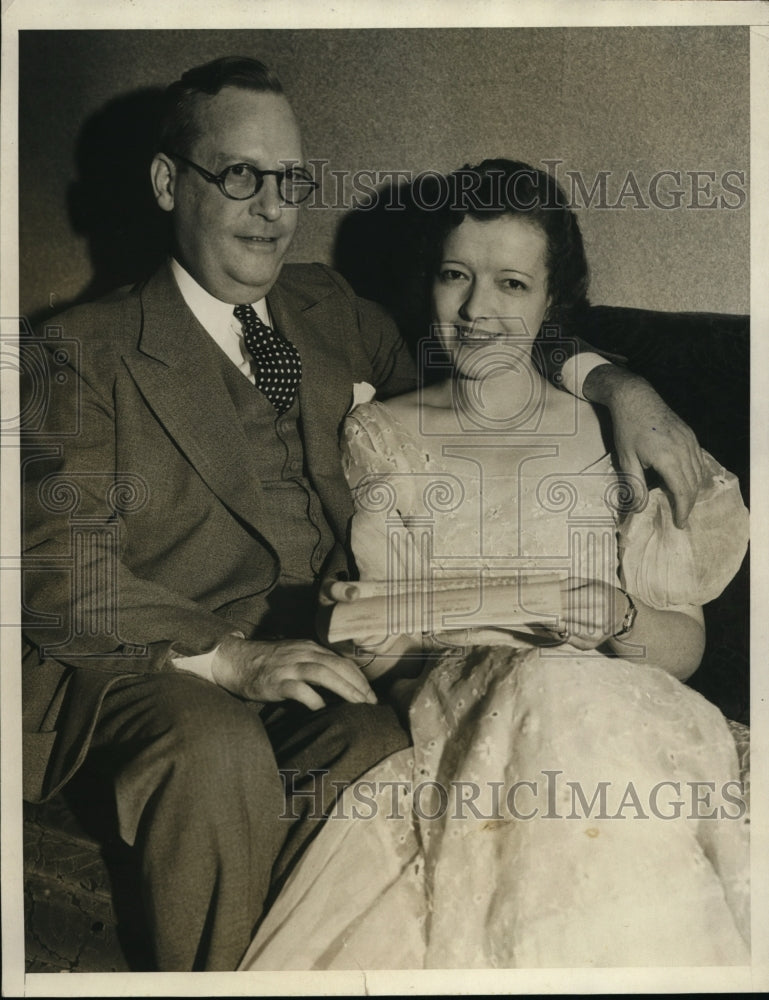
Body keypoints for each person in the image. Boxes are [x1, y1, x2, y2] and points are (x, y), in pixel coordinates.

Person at [21, 57, 705, 972]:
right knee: (215, 751)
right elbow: (60, 566)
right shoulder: (76, 349)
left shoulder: (326, 308)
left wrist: (615, 382)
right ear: (165, 183)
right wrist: (232, 659)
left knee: (381, 742)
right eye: (239, 176)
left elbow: (485, 342)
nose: (272, 207)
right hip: (160, 662)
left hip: (323, 651)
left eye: (290, 180)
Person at [239, 160, 750, 970]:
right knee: (544, 688)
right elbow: (382, 661)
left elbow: (681, 653)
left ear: (552, 303)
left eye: (511, 284)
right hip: (462, 734)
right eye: (455, 277)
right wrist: (366, 615)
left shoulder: (613, 437)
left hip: (629, 737)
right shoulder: (382, 436)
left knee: (566, 687)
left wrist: (615, 617)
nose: (477, 310)